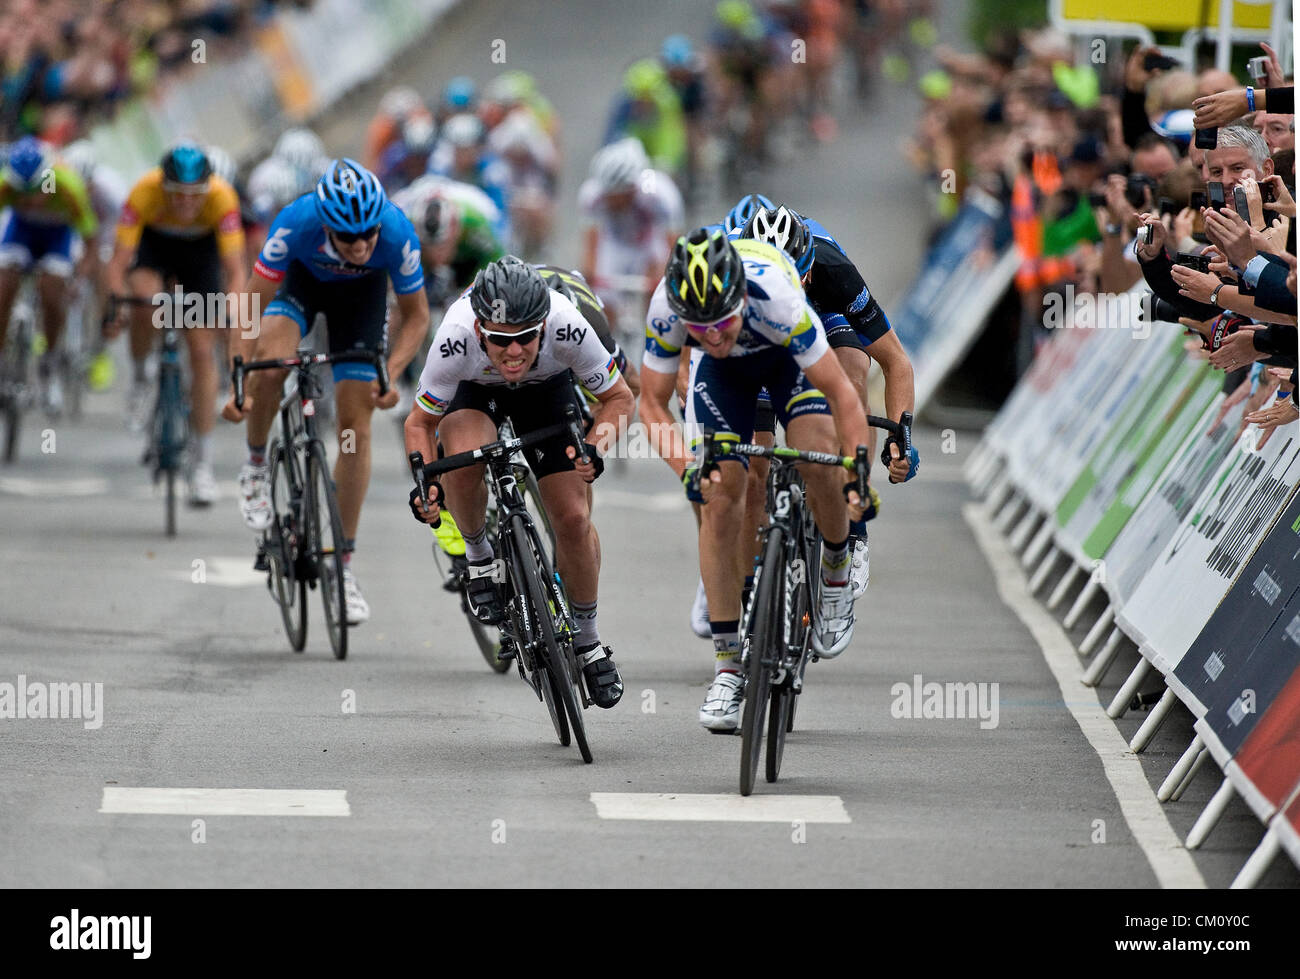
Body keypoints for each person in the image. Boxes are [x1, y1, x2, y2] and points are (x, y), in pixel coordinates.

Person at [637, 228, 870, 731]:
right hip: (724, 380)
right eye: (699, 328)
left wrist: (857, 469)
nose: (713, 336)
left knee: (818, 457)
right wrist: (686, 468)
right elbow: (651, 402)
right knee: (721, 496)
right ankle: (727, 668)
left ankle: (834, 568)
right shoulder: (669, 305)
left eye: (721, 321)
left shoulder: (779, 300)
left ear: (740, 297)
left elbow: (844, 395)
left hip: (786, 358)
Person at [404, 257, 635, 708]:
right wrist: (425, 482)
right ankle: (479, 558)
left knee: (572, 518)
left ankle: (588, 642)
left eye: (526, 338)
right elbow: (419, 423)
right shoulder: (455, 337)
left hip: (548, 390)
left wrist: (594, 446)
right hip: (474, 389)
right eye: (500, 341)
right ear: (479, 330)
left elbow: (620, 398)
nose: (513, 353)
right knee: (463, 462)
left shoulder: (569, 325)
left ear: (544, 325)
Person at [223, 159, 431, 625]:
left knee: (356, 426)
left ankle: (342, 565)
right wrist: (240, 376)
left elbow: (417, 317)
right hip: (300, 287)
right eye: (347, 237)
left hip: (360, 304)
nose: (360, 245)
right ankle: (256, 466)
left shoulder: (396, 233)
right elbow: (250, 304)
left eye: (367, 235)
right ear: (327, 226)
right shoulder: (297, 223)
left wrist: (392, 373)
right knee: (271, 368)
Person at [738, 204, 918, 598]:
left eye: (791, 280)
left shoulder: (834, 272)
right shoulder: (732, 272)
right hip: (756, 326)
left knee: (852, 373)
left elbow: (896, 362)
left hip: (824, 313)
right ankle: (750, 585)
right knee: (754, 463)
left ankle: (854, 527)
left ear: (807, 268)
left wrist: (901, 437)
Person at [104, 141, 242, 505]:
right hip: (156, 245)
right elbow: (118, 264)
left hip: (201, 253)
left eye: (194, 195)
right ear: (163, 187)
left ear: (207, 189)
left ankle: (202, 464)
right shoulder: (144, 192)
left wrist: (231, 310)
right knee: (145, 302)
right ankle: (139, 376)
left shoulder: (223, 198)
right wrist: (116, 303)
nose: (185, 203)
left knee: (200, 351)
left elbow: (235, 270)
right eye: (176, 195)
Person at [0, 135, 98, 417]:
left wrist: (80, 278)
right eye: (23, 190)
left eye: (37, 189)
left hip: (58, 237)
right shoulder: (6, 184)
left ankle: (49, 362)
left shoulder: (68, 186)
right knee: (3, 286)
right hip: (20, 232)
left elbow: (91, 240)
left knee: (52, 290)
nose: (31, 197)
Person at [578, 137, 684, 347]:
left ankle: (656, 342)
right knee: (601, 305)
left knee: (659, 296)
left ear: (632, 188)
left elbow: (673, 245)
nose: (611, 200)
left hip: (648, 243)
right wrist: (590, 274)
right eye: (608, 194)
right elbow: (591, 242)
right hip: (615, 244)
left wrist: (665, 278)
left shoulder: (661, 193)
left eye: (616, 195)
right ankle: (606, 349)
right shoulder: (592, 193)